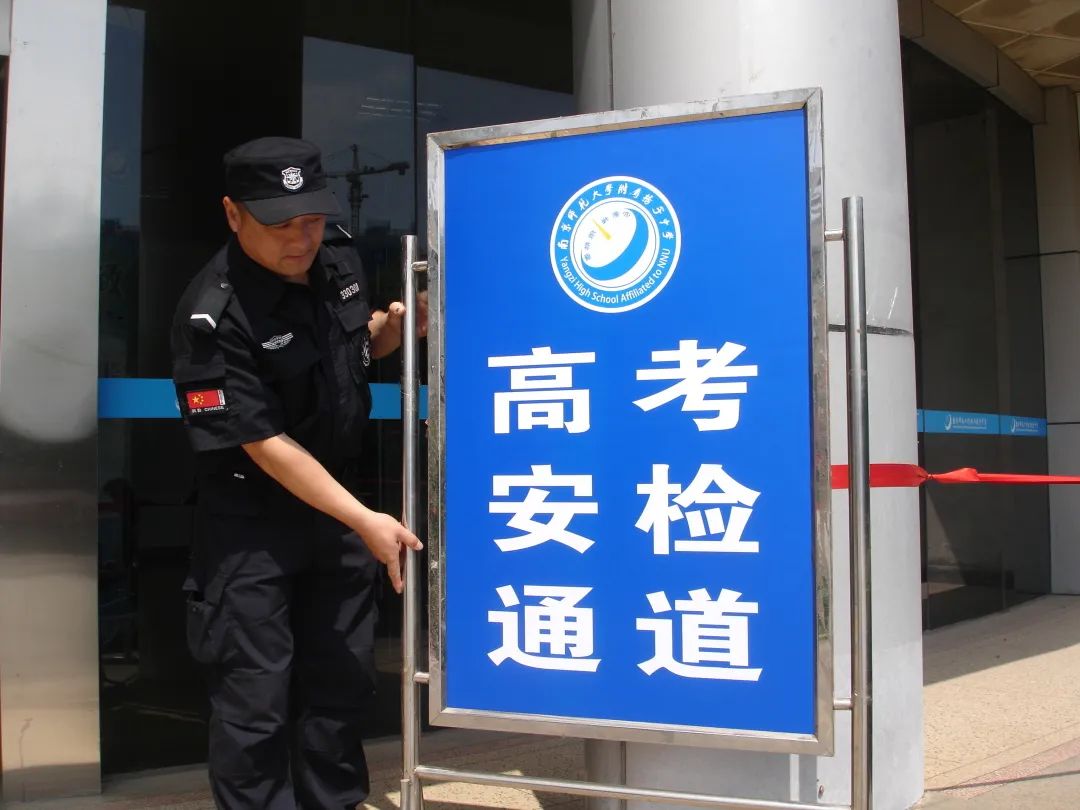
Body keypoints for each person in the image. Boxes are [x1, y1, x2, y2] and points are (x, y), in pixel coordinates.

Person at [170, 136, 424, 810]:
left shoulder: (336, 259)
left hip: (337, 511)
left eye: (311, 219)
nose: (300, 238)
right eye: (280, 224)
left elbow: (352, 350)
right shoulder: (213, 315)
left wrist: (397, 330)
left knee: (339, 689)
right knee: (254, 702)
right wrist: (365, 520)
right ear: (233, 214)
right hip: (251, 528)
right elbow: (263, 443)